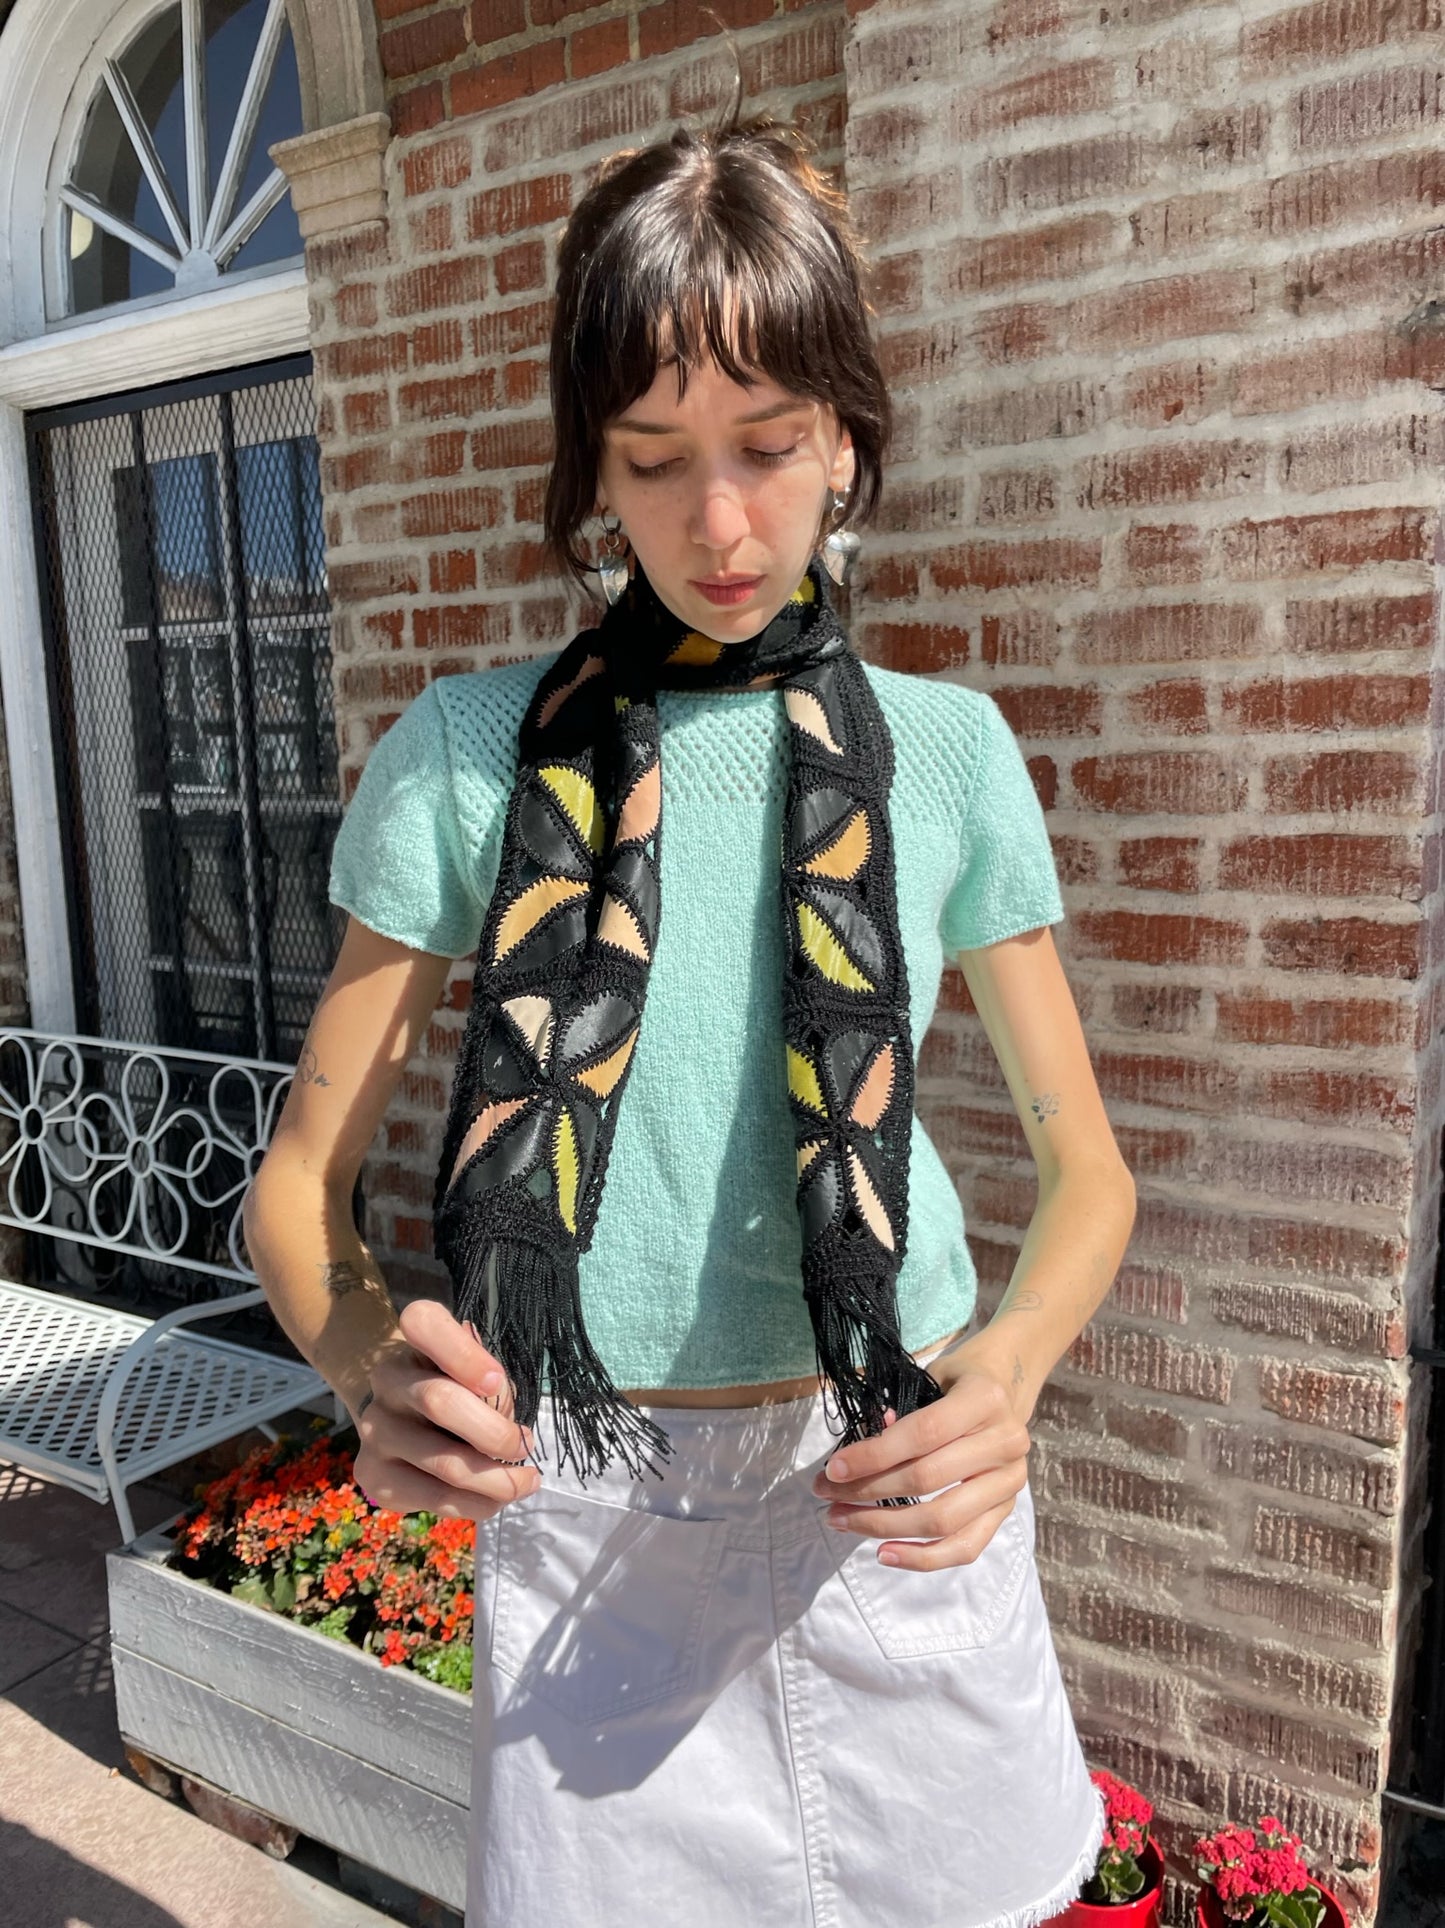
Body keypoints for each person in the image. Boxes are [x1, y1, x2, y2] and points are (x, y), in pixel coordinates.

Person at [246, 95, 1137, 1928]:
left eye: (770, 442)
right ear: (591, 468)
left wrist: (1011, 1377)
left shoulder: (951, 757)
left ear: (848, 444)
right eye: (650, 459)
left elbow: (1086, 1171)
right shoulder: (467, 759)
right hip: (585, 1523)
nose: (718, 523)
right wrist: (363, 1375)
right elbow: (296, 1185)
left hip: (885, 1497)